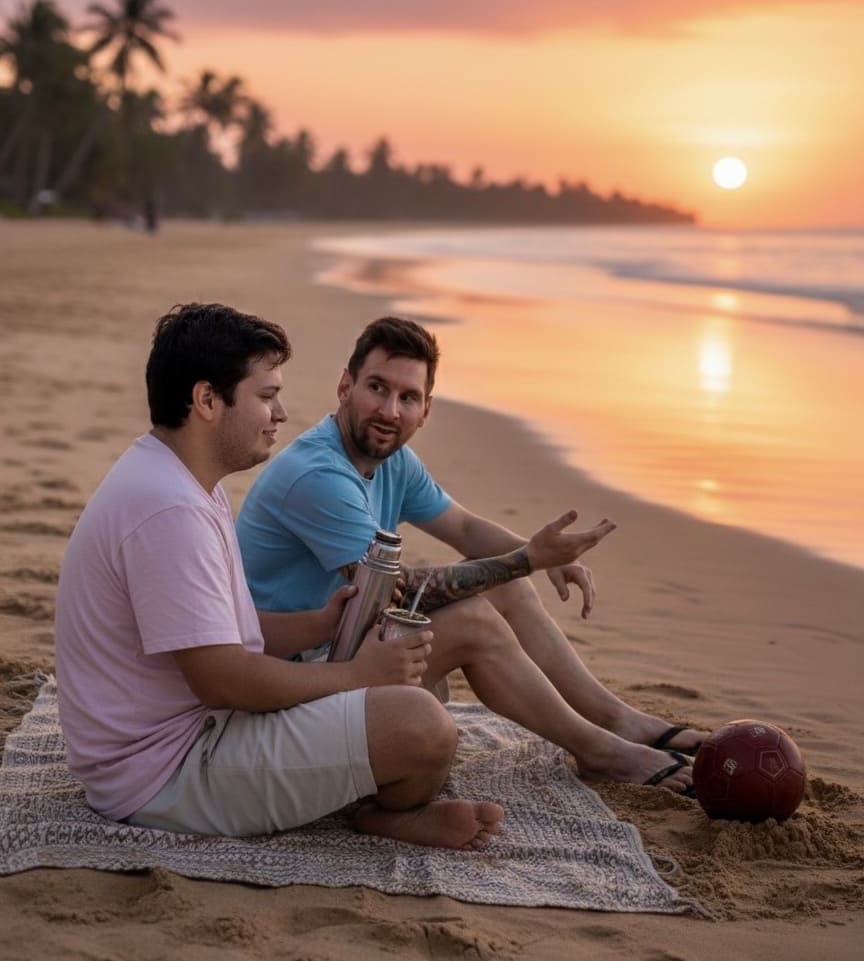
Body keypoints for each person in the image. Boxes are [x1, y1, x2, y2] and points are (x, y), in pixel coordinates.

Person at [53, 303, 622, 848]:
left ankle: (594, 734)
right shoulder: (170, 510)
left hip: (186, 735)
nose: (279, 415)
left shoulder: (182, 485)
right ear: (206, 400)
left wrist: (318, 624)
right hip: (166, 772)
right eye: (267, 396)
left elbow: (230, 631)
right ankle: (384, 814)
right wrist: (356, 675)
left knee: (416, 690)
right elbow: (222, 680)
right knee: (420, 722)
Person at [236, 317, 706, 795]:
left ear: (426, 409)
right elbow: (398, 590)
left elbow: (463, 527)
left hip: (335, 652)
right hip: (283, 685)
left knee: (503, 583)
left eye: (408, 397)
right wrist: (527, 558)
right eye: (376, 388)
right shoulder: (318, 476)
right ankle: (601, 751)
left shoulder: (392, 461)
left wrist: (543, 554)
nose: (390, 410)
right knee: (476, 618)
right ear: (345, 386)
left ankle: (614, 720)